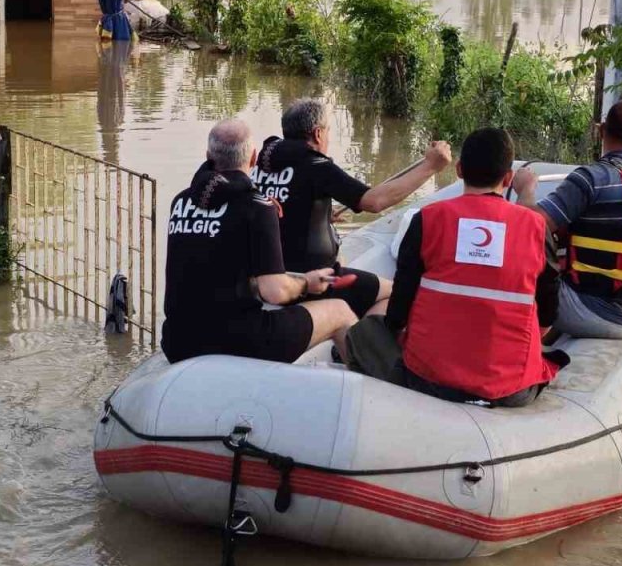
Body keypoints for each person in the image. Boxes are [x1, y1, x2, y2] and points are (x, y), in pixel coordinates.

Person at [347, 128, 566, 407]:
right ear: (509, 178)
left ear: (459, 170)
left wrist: (400, 330)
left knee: (366, 331)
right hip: (510, 387)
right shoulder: (536, 227)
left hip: (428, 378)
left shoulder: (427, 219)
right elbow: (549, 310)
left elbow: (399, 308)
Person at [161, 119, 358, 365]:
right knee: (340, 312)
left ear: (208, 156)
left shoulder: (181, 202)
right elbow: (275, 291)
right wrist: (307, 282)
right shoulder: (257, 206)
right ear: (254, 158)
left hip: (177, 342)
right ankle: (371, 394)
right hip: (237, 339)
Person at [251, 97, 452, 317]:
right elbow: (374, 201)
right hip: (309, 279)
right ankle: (359, 342)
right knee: (395, 292)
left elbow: (274, 206)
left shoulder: (262, 164)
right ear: (318, 133)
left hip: (267, 276)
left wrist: (317, 215)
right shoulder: (316, 166)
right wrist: (430, 167)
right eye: (328, 131)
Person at [512, 98, 622, 340]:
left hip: (593, 313)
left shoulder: (591, 178)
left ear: (602, 132)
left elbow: (528, 227)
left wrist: (526, 190)